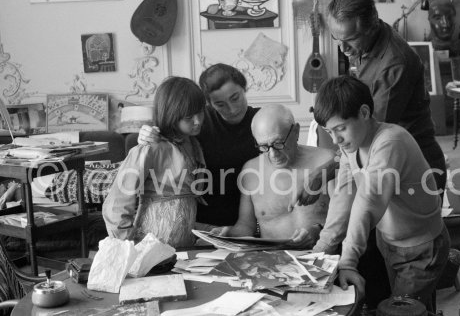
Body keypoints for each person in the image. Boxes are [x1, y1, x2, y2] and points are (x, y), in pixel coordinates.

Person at [313, 75, 450, 312]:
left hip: (421, 251)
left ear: (364, 113)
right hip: (390, 243)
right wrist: (322, 248)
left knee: (400, 311)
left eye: (340, 129)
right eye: (329, 132)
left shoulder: (390, 141)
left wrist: (348, 261)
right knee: (407, 309)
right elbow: (344, 196)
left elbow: (368, 202)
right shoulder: (351, 146)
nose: (335, 140)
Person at [138, 64, 321, 228]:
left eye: (235, 98)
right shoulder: (199, 123)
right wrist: (147, 134)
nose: (232, 109)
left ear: (244, 89)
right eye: (220, 104)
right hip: (201, 223)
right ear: (208, 104)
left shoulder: (262, 123)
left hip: (251, 224)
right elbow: (170, 139)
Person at [326, 0, 446, 193]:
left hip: (413, 170)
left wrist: (322, 173)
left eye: (349, 39)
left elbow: (369, 133)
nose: (342, 48)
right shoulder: (366, 42)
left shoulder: (395, 64)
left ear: (372, 27)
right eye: (335, 38)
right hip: (385, 159)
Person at [103, 76, 207, 248]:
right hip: (148, 249)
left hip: (184, 248)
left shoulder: (194, 144)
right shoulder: (150, 148)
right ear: (171, 116)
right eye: (189, 117)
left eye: (201, 112)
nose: (198, 121)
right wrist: (127, 247)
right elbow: (117, 204)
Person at [214, 104, 335, 249]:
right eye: (263, 147)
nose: (272, 154)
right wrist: (229, 233)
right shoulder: (250, 171)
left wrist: (319, 231)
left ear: (295, 131)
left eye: (278, 143)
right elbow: (246, 226)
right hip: (272, 264)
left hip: (321, 260)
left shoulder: (327, 162)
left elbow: (348, 218)